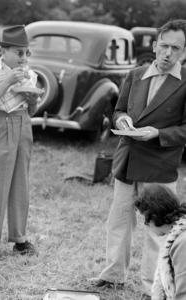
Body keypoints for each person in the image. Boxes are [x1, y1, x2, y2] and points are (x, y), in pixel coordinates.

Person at [89, 19, 186, 300]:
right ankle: (113, 275)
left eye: (175, 48)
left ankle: (152, 288)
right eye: (164, 46)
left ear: (184, 52)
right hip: (127, 160)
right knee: (119, 220)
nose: (168, 53)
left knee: (157, 229)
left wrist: (157, 133)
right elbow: (119, 110)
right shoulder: (135, 74)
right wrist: (124, 119)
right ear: (155, 46)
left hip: (159, 165)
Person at [0, 25, 41, 259]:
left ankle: (19, 240)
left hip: (22, 125)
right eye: (19, 53)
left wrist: (32, 99)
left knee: (20, 184)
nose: (24, 58)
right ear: (4, 52)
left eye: (26, 53)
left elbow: (32, 110)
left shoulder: (30, 74)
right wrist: (7, 82)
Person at [134, 185, 186, 300]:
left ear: (153, 217)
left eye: (145, 220)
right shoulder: (176, 234)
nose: (145, 225)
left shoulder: (183, 243)